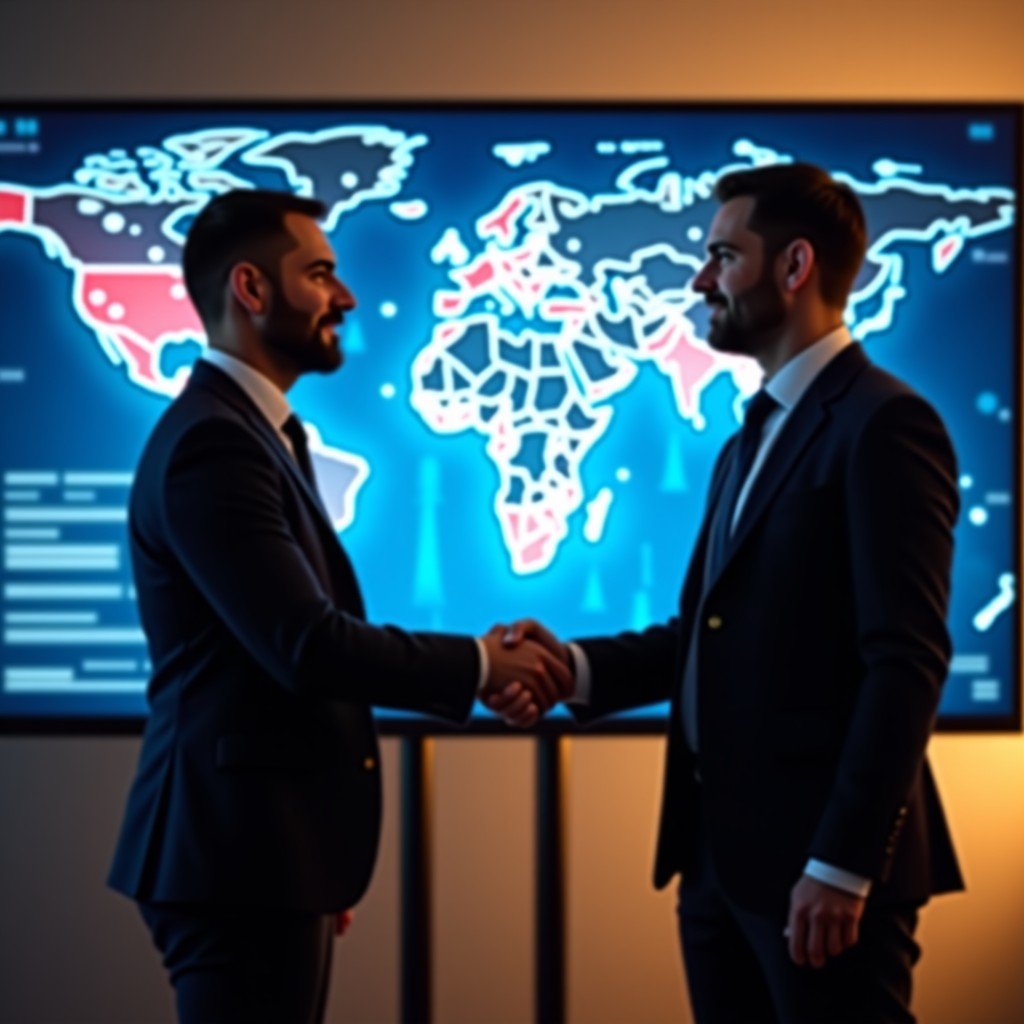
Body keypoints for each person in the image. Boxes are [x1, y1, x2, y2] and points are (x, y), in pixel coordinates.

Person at [501, 163, 963, 1023]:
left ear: (794, 268)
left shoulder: (885, 424)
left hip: (820, 881)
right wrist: (568, 666)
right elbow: (713, 634)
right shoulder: (748, 440)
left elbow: (906, 659)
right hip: (719, 869)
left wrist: (841, 865)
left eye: (722, 255)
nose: (699, 279)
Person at [107, 189, 570, 1023]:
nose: (345, 297)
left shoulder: (253, 434)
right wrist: (478, 664)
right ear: (251, 289)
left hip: (268, 854)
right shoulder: (215, 444)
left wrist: (311, 847)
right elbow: (306, 646)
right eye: (320, 274)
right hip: (235, 860)